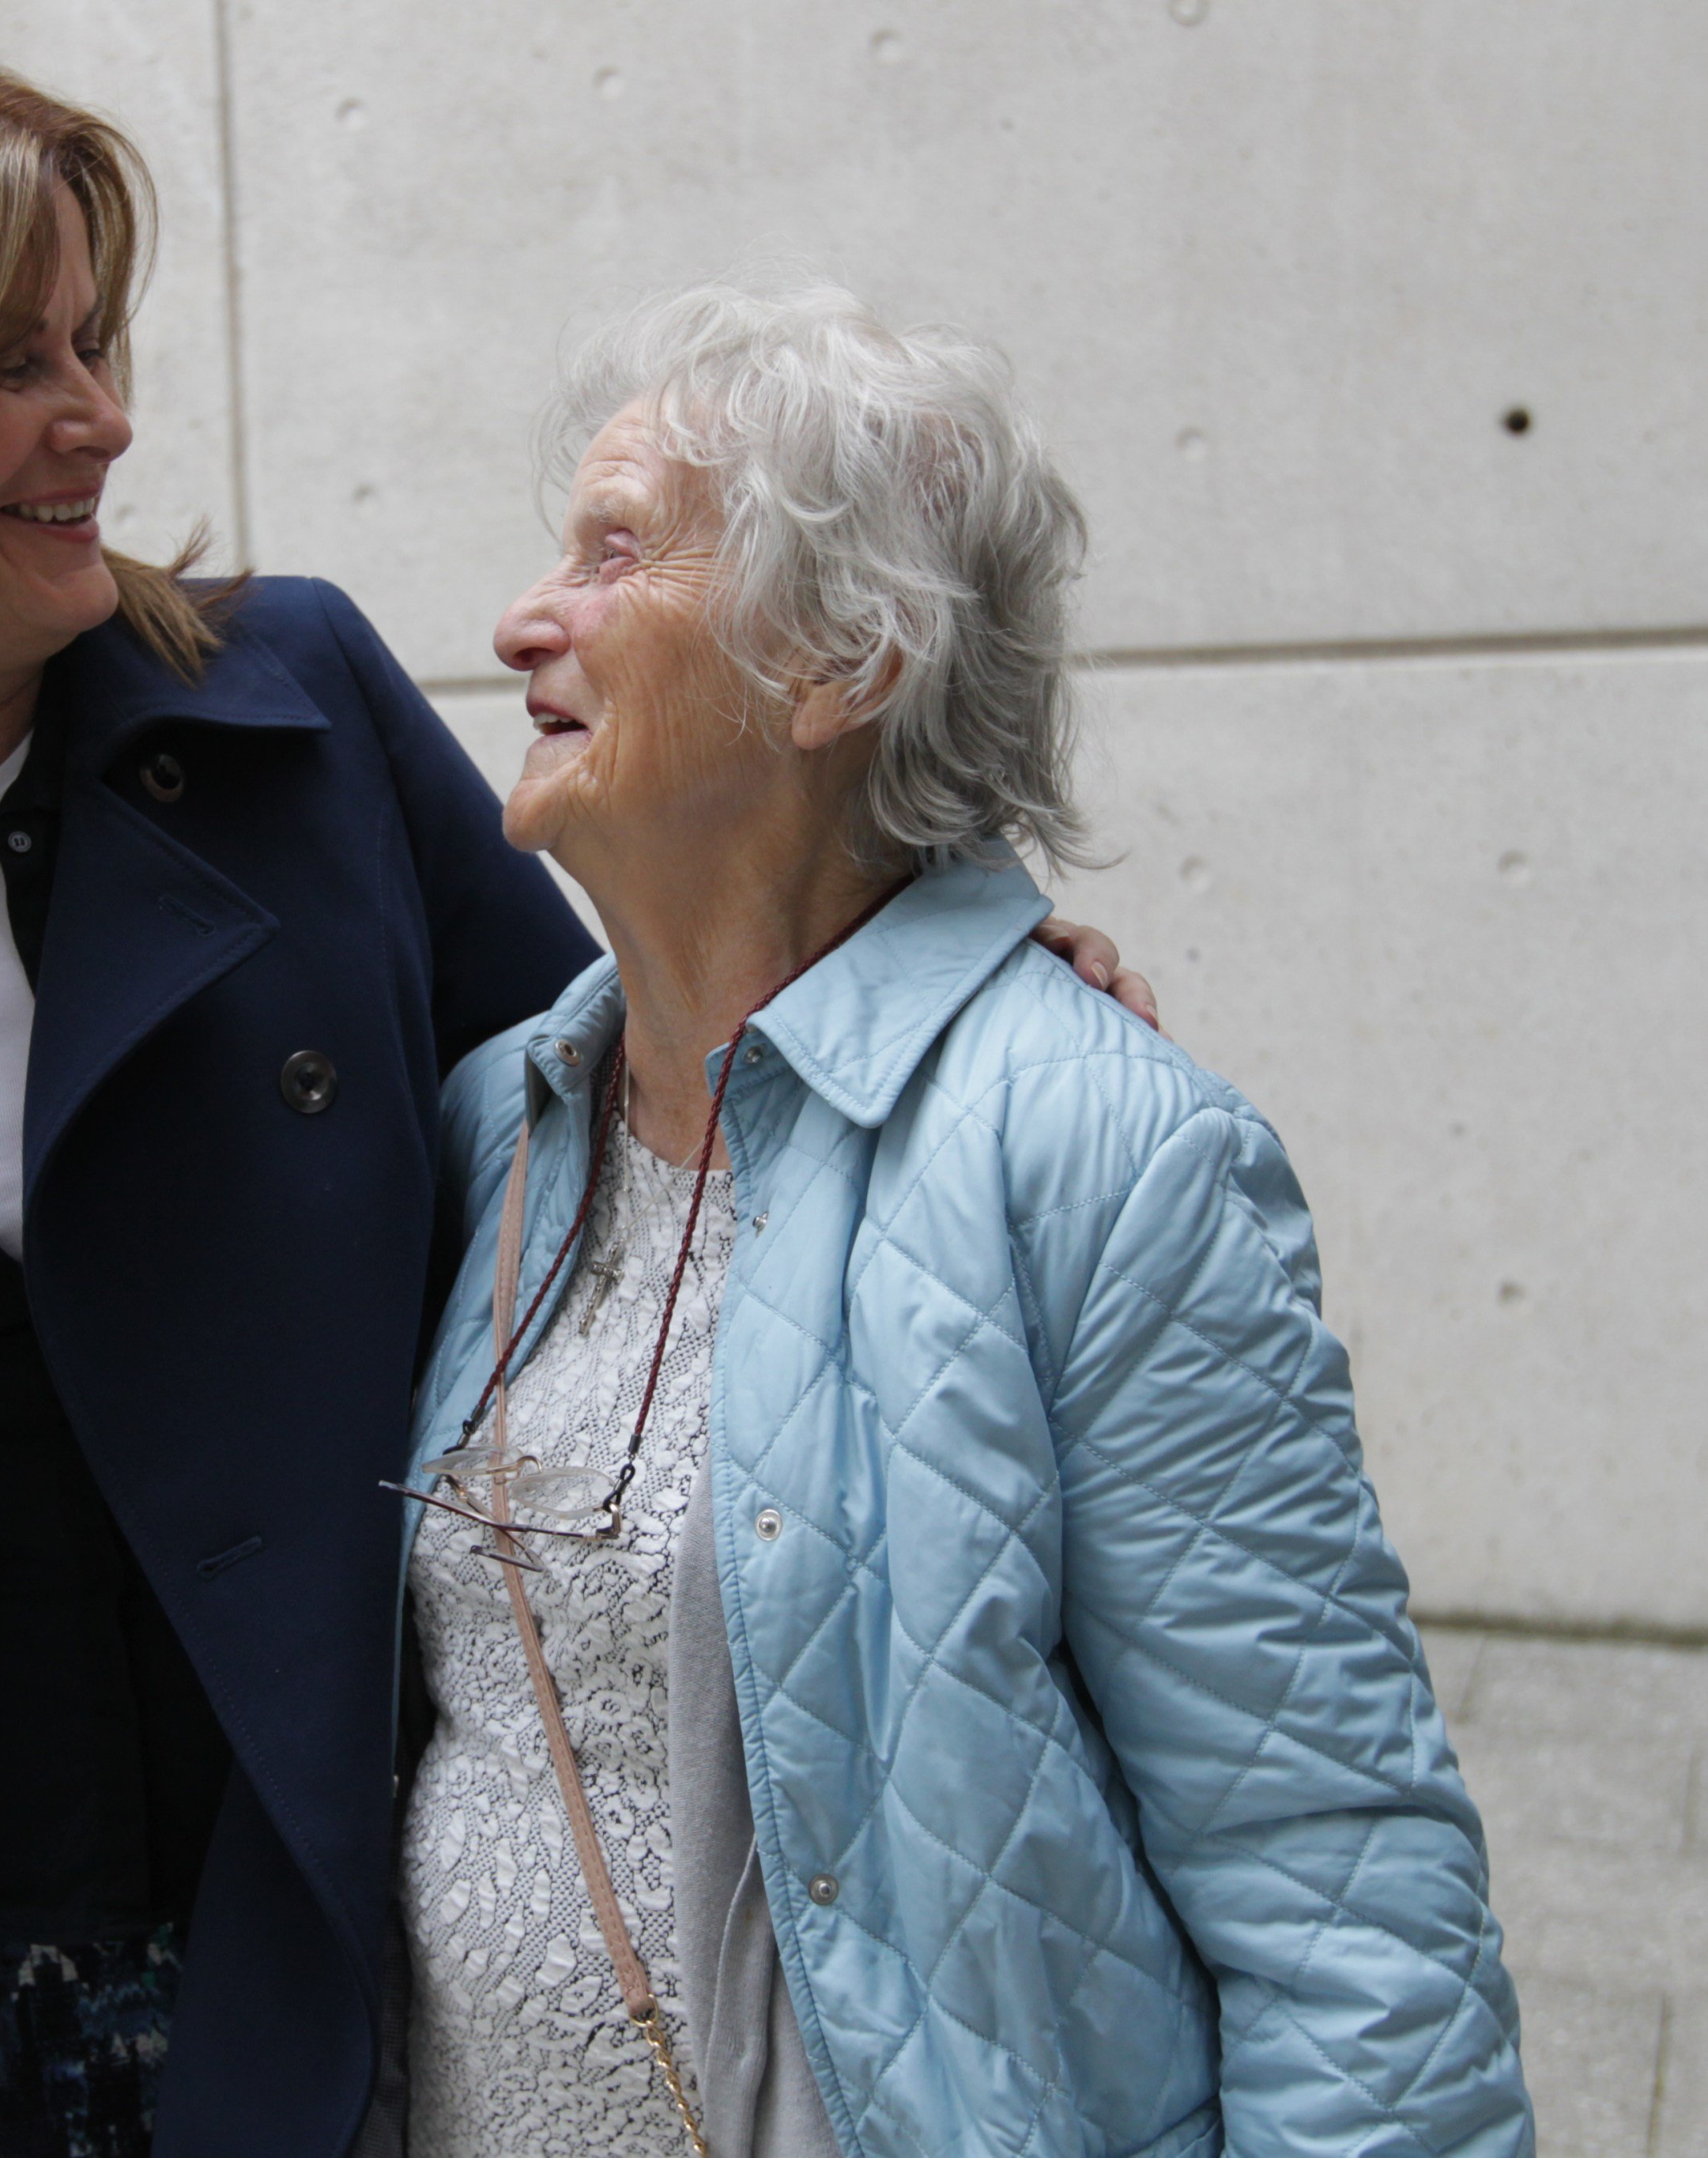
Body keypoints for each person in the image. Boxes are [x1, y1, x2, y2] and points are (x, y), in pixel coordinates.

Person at [0, 46, 1164, 2158]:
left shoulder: (292, 720)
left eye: (96, 339)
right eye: (16, 360)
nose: (103, 414)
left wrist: (946, 967)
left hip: (308, 1926)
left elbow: (633, 1111)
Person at [394, 284, 1533, 2158]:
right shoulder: (495, 1127)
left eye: (613, 553)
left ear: (835, 660)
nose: (526, 619)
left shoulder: (1096, 1146)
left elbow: (1329, 1873)